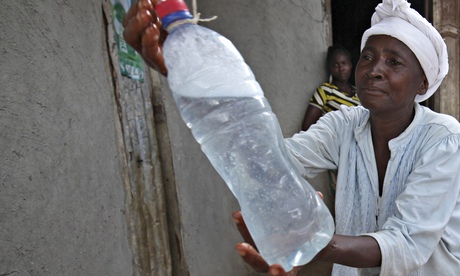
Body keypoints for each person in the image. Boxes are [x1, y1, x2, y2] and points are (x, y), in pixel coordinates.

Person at [123, 0, 459, 275]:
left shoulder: (444, 140)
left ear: (422, 85)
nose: (373, 69)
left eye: (394, 62)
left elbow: (409, 243)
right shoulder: (344, 125)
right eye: (368, 57)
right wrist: (192, 78)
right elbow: (270, 162)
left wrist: (315, 244)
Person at [301, 44, 360, 132]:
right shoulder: (325, 90)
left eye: (344, 63)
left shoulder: (359, 94)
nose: (341, 68)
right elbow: (306, 126)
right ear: (331, 69)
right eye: (336, 65)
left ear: (350, 65)